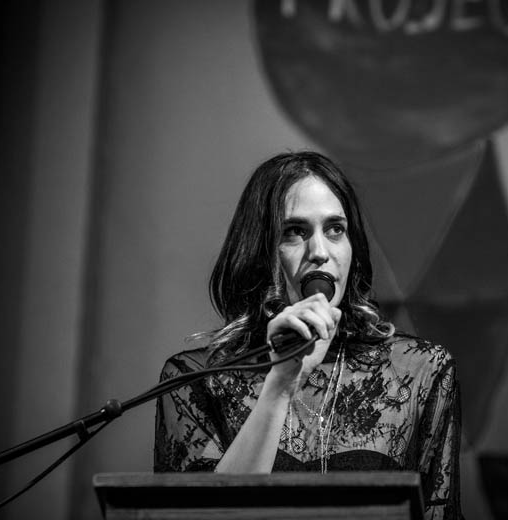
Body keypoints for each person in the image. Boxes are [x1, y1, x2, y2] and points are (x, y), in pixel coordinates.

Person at [154, 151, 462, 519]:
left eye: (335, 229)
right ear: (259, 251)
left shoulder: (420, 371)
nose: (319, 252)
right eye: (294, 232)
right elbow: (202, 516)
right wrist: (279, 386)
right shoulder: (197, 380)